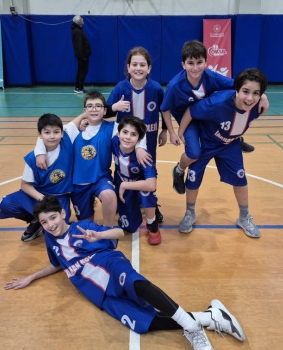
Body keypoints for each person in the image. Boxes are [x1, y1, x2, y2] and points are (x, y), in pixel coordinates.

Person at [4, 195, 246, 350]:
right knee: (142, 323)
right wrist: (31, 277)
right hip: (97, 292)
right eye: (44, 222)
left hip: (108, 263)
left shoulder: (82, 227)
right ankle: (209, 317)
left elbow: (119, 233)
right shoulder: (51, 241)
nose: (50, 225)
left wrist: (98, 235)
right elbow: (58, 264)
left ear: (63, 213)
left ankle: (192, 329)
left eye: (53, 218)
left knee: (136, 284)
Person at [161, 40, 268, 195]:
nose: (195, 67)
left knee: (228, 110)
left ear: (206, 62)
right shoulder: (174, 86)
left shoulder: (211, 77)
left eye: (199, 62)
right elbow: (165, 109)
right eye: (190, 63)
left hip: (208, 114)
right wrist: (172, 132)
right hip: (189, 118)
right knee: (194, 153)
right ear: (183, 65)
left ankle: (235, 139)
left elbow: (239, 85)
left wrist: (263, 95)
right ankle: (179, 170)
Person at [34, 91, 151, 228]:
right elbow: (49, 132)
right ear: (84, 111)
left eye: (98, 106)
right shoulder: (75, 130)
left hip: (100, 178)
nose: (94, 109)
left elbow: (139, 129)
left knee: (109, 194)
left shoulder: (112, 128)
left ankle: (107, 230)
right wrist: (40, 152)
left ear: (104, 111)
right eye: (90, 106)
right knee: (86, 225)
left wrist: (140, 148)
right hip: (78, 183)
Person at [176, 68, 268, 237]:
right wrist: (180, 133)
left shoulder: (259, 106)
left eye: (256, 93)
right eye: (245, 92)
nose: (250, 98)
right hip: (206, 142)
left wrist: (263, 97)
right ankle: (190, 213)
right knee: (193, 177)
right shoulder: (216, 104)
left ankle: (244, 217)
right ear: (237, 90)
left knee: (240, 178)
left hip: (230, 145)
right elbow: (191, 111)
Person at [0, 112, 83, 241]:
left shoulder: (66, 140)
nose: (52, 136)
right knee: (6, 203)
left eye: (56, 132)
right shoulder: (33, 158)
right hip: (38, 195)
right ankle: (36, 221)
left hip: (59, 196)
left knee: (58, 227)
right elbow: (25, 185)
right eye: (47, 133)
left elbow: (79, 119)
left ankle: (42, 220)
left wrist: (88, 115)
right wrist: (42, 199)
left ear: (62, 133)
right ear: (40, 135)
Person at [106, 46, 167, 224]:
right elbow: (105, 112)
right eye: (134, 64)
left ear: (149, 68)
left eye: (142, 65)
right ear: (128, 67)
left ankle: (151, 203)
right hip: (125, 143)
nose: (138, 68)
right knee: (123, 169)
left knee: (148, 170)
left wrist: (164, 130)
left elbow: (165, 110)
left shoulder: (155, 88)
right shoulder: (121, 88)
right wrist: (114, 108)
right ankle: (121, 197)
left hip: (149, 141)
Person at [112, 116, 161, 245]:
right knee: (129, 227)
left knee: (146, 193)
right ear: (118, 133)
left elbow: (151, 185)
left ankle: (152, 223)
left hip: (137, 184)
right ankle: (127, 206)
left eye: (133, 134)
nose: (128, 137)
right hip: (120, 181)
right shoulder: (114, 142)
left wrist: (125, 185)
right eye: (125, 132)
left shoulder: (144, 156)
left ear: (139, 139)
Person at [71, 15, 91, 95]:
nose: (82, 20)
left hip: (82, 56)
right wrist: (83, 56)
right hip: (82, 56)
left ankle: (78, 87)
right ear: (78, 21)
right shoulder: (78, 32)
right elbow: (79, 45)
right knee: (82, 72)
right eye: (81, 19)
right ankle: (79, 88)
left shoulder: (78, 30)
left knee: (81, 71)